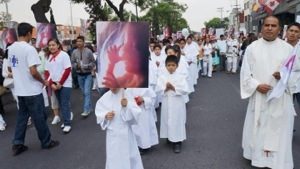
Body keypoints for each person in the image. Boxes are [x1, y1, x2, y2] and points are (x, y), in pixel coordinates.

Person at [240, 16, 296, 169]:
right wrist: (257, 85)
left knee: (278, 131)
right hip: (259, 96)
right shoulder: (252, 48)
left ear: (279, 29)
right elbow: (245, 74)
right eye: (267, 25)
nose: (270, 28)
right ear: (262, 27)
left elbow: (295, 74)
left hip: (280, 97)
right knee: (259, 128)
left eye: (273, 25)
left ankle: (277, 162)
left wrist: (284, 76)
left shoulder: (288, 49)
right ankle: (258, 158)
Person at [8, 22, 59, 156]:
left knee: (22, 118)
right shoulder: (29, 49)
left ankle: (17, 143)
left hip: (20, 90)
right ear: (29, 33)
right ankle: (46, 142)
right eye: (32, 32)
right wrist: (43, 82)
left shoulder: (11, 48)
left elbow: (10, 68)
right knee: (39, 117)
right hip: (32, 90)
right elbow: (33, 71)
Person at [95, 88, 144, 169]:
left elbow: (136, 116)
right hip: (112, 135)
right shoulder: (105, 97)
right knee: (114, 158)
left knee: (129, 157)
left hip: (126, 134)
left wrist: (126, 106)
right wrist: (106, 116)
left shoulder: (127, 94)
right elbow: (99, 113)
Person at [156, 55, 189, 153]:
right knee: (167, 119)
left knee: (176, 120)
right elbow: (158, 89)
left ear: (177, 66)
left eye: (173, 65)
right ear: (165, 66)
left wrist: (174, 88)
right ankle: (169, 137)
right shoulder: (162, 76)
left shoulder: (180, 77)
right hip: (167, 102)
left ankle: (177, 141)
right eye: (169, 65)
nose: (171, 67)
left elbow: (185, 89)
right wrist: (165, 88)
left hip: (177, 102)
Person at [45, 38, 73, 133]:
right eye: (50, 45)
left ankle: (67, 123)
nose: (51, 47)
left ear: (58, 45)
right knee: (61, 103)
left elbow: (67, 70)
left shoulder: (64, 55)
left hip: (65, 84)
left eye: (53, 45)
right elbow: (47, 72)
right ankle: (67, 117)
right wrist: (52, 84)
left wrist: (60, 83)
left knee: (64, 103)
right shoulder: (49, 57)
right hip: (54, 84)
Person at [127, 88, 159, 154]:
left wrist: (144, 99)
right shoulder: (129, 87)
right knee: (135, 128)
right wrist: (133, 101)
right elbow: (126, 98)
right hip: (134, 111)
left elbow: (153, 98)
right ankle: (137, 144)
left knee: (145, 129)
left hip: (145, 111)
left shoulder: (147, 87)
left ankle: (145, 145)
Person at [71, 36, 95, 117]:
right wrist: (76, 66)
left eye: (80, 41)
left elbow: (93, 63)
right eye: (77, 41)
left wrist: (86, 66)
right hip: (79, 75)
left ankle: (86, 110)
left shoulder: (88, 51)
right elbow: (72, 63)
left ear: (83, 42)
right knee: (84, 93)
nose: (79, 43)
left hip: (88, 75)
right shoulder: (74, 52)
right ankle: (90, 107)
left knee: (87, 92)